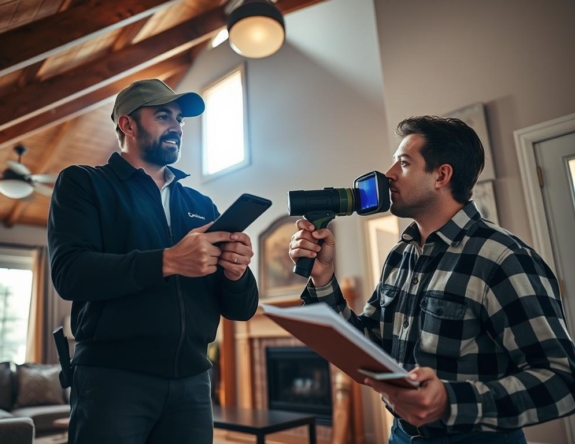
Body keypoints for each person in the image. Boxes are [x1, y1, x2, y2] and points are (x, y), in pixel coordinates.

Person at [288, 116, 575, 443]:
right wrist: (323, 279)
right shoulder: (400, 255)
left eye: (404, 163)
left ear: (441, 175)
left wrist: (448, 403)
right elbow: (369, 346)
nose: (390, 174)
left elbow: (561, 380)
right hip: (401, 436)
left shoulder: (502, 257)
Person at [48, 79, 259, 444]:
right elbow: (70, 274)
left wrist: (237, 273)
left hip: (193, 384)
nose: (176, 126)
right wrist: (169, 260)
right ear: (127, 125)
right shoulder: (83, 184)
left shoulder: (201, 205)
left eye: (179, 119)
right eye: (164, 116)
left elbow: (240, 310)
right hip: (112, 380)